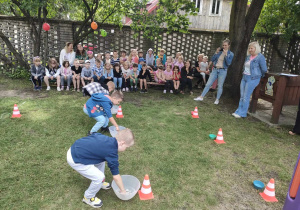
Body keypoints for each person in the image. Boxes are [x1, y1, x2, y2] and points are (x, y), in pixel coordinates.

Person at [66, 129, 134, 208]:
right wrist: (123, 191)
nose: (126, 149)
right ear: (122, 143)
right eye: (127, 147)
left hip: (75, 148)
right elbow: (116, 177)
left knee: (101, 160)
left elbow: (94, 135)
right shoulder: (112, 154)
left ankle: (100, 183)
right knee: (99, 177)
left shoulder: (105, 138)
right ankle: (88, 197)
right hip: (75, 159)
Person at [232, 42, 267, 118]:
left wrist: (259, 75)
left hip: (252, 79)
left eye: (252, 48)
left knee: (246, 97)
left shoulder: (260, 57)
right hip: (244, 77)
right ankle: (238, 111)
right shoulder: (248, 57)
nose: (250, 50)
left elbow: (264, 69)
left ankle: (243, 113)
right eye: (249, 48)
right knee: (242, 96)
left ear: (256, 48)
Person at [194, 39, 234, 105]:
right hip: (215, 69)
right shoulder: (219, 52)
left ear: (229, 45)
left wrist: (226, 55)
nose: (224, 46)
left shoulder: (231, 54)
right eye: (223, 45)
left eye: (226, 45)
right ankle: (201, 97)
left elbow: (229, 63)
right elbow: (212, 59)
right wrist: (216, 52)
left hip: (223, 70)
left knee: (220, 86)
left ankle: (217, 99)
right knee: (208, 84)